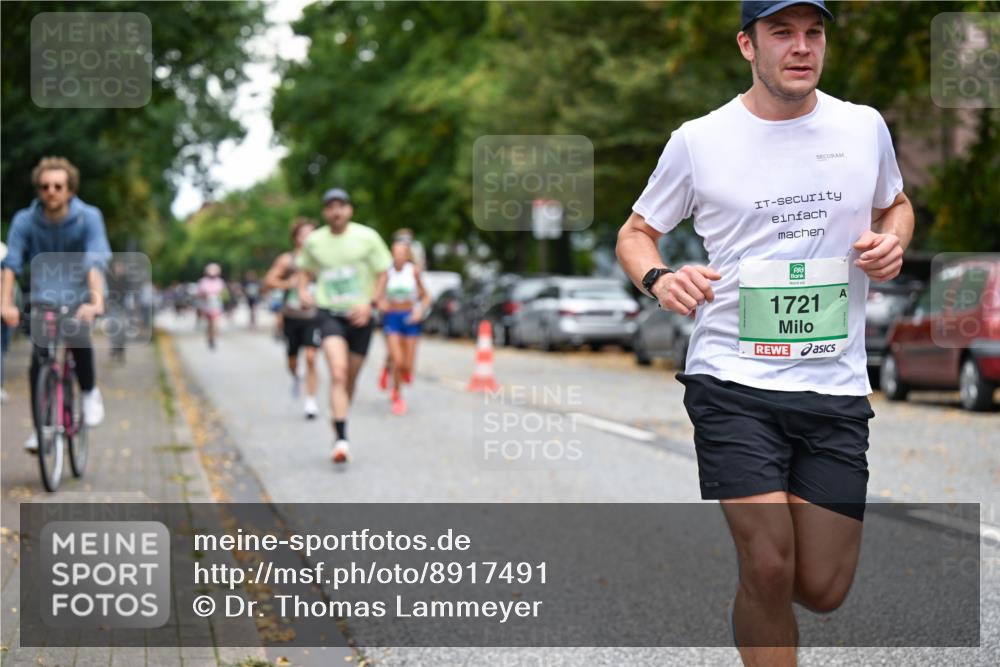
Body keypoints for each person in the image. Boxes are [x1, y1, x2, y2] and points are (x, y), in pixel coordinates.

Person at [615, 2, 914, 664]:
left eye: (814, 33)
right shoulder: (700, 139)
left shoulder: (862, 128)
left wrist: (893, 242)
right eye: (783, 33)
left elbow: (896, 203)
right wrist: (660, 279)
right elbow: (636, 233)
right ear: (748, 45)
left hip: (834, 386)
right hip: (732, 380)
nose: (802, 47)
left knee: (823, 586)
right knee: (772, 563)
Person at [1, 156, 112, 451]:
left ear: (70, 190)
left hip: (81, 292)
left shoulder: (89, 217)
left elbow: (95, 261)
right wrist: (5, 305)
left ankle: (89, 392)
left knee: (78, 335)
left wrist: (95, 301)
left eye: (58, 186)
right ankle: (41, 429)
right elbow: (11, 264)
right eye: (45, 186)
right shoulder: (25, 221)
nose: (51, 191)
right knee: (39, 358)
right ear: (38, 189)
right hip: (44, 296)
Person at [297, 188, 392, 464]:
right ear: (324, 212)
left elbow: (383, 271)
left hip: (360, 315)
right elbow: (304, 268)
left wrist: (371, 303)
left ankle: (339, 415)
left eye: (341, 206)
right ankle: (341, 439)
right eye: (330, 207)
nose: (336, 211)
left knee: (349, 377)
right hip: (329, 313)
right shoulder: (314, 241)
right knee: (337, 372)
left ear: (349, 209)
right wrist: (303, 290)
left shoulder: (367, 237)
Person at [264, 217, 321, 419]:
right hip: (292, 315)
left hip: (314, 315)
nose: (307, 238)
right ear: (295, 238)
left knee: (312, 357)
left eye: (311, 234)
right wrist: (289, 284)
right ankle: (296, 375)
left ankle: (311, 401)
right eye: (303, 234)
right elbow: (269, 280)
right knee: (292, 360)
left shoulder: (321, 258)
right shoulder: (287, 260)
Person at [374, 233, 431, 415]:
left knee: (407, 365)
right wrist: (381, 304)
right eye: (395, 252)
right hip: (392, 317)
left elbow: (425, 296)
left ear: (406, 255)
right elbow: (377, 295)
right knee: (397, 360)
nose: (398, 256)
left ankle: (394, 373)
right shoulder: (387, 272)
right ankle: (397, 395)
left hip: (409, 317)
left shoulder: (412, 271)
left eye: (402, 253)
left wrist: (419, 310)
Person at [197, 263, 226, 350]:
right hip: (206, 305)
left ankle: (213, 339)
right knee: (209, 323)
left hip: (216, 305)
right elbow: (199, 293)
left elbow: (223, 293)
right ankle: (209, 338)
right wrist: (205, 295)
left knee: (214, 322)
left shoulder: (220, 281)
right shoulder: (203, 281)